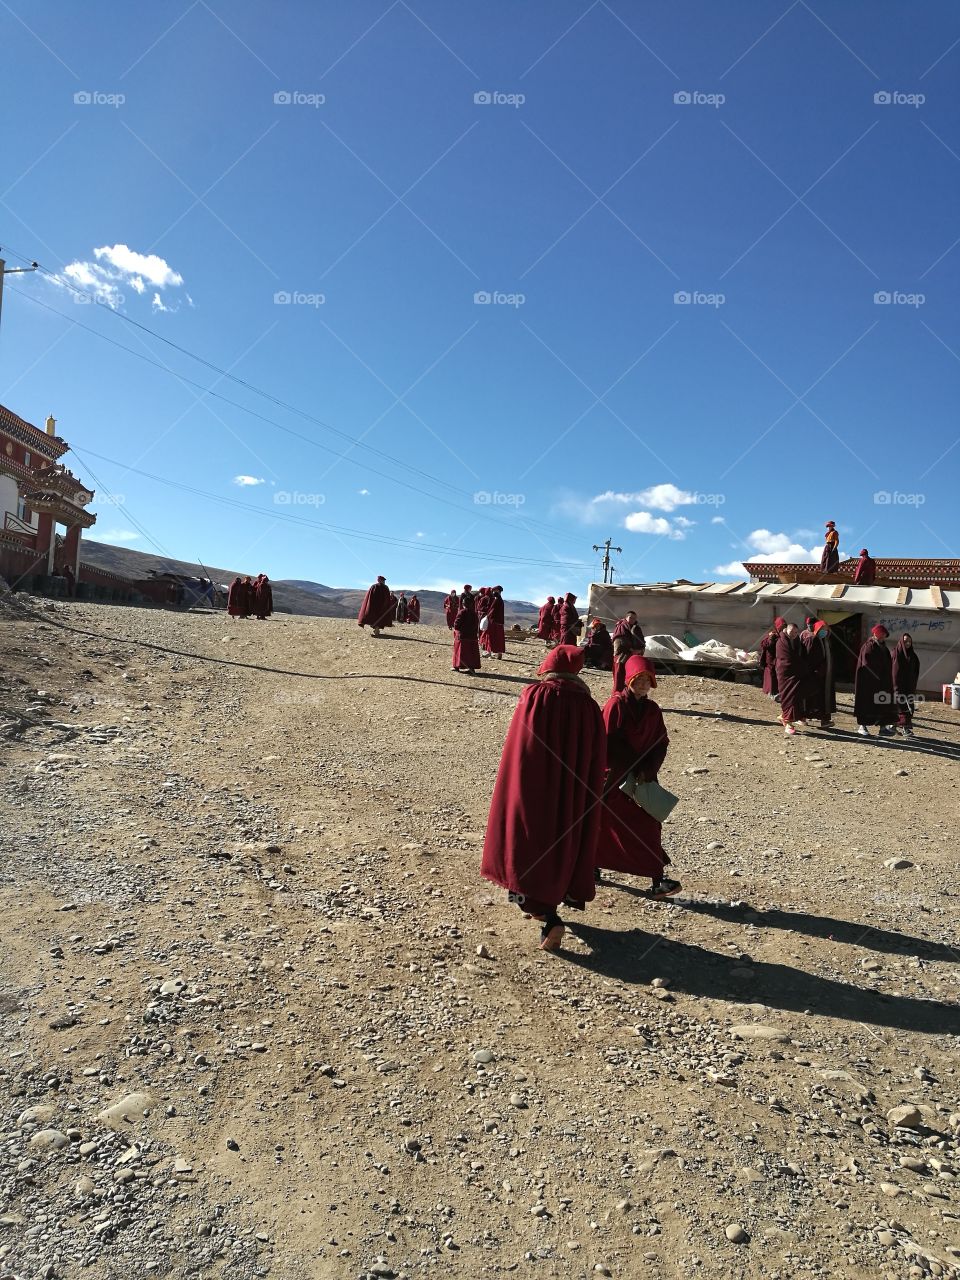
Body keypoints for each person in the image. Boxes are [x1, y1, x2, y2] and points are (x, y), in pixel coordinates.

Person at [481, 645, 606, 951]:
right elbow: (596, 755)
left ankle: (548, 916)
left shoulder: (535, 695)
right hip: (573, 789)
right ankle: (551, 899)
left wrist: (515, 782)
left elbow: (521, 745)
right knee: (562, 836)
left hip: (534, 783)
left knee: (527, 838)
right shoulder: (589, 705)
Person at [596, 655, 680, 899]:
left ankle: (657, 878)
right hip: (614, 778)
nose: (643, 685)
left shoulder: (652, 710)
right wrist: (634, 765)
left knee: (649, 824)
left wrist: (649, 769)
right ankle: (592, 866)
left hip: (643, 779)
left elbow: (661, 742)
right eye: (639, 679)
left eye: (647, 680)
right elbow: (608, 740)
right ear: (628, 679)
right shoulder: (615, 705)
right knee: (604, 824)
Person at [854, 624, 896, 737]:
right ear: (875, 634)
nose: (882, 637)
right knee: (866, 704)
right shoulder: (868, 647)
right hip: (869, 682)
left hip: (882, 683)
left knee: (882, 704)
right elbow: (866, 665)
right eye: (880, 634)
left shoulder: (883, 647)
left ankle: (883, 728)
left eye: (884, 635)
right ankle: (862, 726)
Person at [801, 619, 834, 728]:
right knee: (810, 697)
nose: (825, 631)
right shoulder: (812, 639)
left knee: (822, 698)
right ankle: (802, 718)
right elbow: (808, 657)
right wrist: (816, 670)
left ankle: (824, 720)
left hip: (824, 675)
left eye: (826, 629)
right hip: (814, 674)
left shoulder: (825, 640)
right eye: (823, 629)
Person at [775, 621, 806, 735]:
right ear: (786, 630)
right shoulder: (781, 642)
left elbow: (800, 655)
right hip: (785, 674)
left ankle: (784, 716)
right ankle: (788, 723)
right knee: (789, 697)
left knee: (796, 696)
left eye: (796, 632)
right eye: (791, 632)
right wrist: (799, 664)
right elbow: (785, 658)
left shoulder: (797, 641)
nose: (793, 634)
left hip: (795, 674)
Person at [892, 632, 920, 738]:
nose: (907, 643)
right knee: (901, 707)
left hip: (909, 688)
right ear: (901, 642)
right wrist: (896, 688)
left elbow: (915, 671)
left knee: (908, 707)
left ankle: (897, 727)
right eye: (905, 641)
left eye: (909, 641)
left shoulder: (913, 656)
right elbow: (893, 672)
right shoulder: (895, 654)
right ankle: (903, 728)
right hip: (896, 687)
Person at [611, 612, 646, 692]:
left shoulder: (637, 628)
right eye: (630, 617)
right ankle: (618, 694)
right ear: (626, 617)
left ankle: (630, 693)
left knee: (632, 677)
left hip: (635, 656)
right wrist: (631, 650)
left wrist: (640, 650)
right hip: (622, 656)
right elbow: (619, 641)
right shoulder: (621, 627)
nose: (632, 620)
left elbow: (641, 641)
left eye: (634, 618)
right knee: (620, 677)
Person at [453, 587, 481, 674]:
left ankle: (457, 666)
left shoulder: (462, 612)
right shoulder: (474, 614)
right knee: (471, 652)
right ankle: (471, 668)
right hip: (472, 636)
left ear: (463, 604)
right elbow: (476, 624)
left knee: (460, 651)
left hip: (463, 636)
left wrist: (458, 629)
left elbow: (456, 625)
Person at [758, 618, 784, 699]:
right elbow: (764, 645)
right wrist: (771, 639)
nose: (782, 628)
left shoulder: (783, 634)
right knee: (771, 676)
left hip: (779, 659)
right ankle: (771, 692)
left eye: (784, 626)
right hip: (771, 659)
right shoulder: (772, 635)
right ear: (777, 626)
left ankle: (776, 692)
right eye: (781, 626)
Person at [485, 585, 506, 660]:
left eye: (494, 591)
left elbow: (492, 611)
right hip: (499, 622)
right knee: (499, 638)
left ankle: (489, 652)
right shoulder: (500, 600)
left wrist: (487, 617)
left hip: (494, 621)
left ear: (498, 591)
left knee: (491, 637)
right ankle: (499, 653)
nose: (493, 592)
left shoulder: (497, 600)